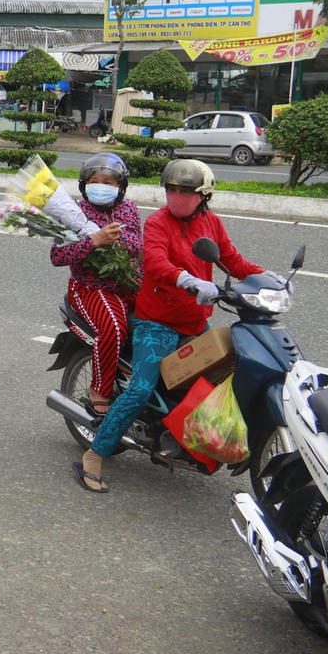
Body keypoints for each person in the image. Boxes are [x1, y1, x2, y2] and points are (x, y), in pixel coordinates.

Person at [74, 159, 263, 493]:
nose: (177, 196)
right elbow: (155, 262)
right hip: (156, 323)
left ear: (203, 195)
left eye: (186, 191)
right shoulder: (159, 221)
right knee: (141, 389)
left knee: (219, 380)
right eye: (172, 189)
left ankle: (183, 439)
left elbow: (232, 260)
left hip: (194, 321)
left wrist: (267, 278)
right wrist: (187, 279)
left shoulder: (212, 223)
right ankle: (95, 454)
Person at [49, 154, 143, 414]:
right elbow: (58, 256)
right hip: (90, 288)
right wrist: (94, 241)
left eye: (108, 182)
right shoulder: (72, 212)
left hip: (129, 284)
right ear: (84, 185)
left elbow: (137, 245)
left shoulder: (128, 209)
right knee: (113, 326)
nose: (101, 186)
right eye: (94, 181)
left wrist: (116, 242)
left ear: (120, 186)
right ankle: (99, 390)